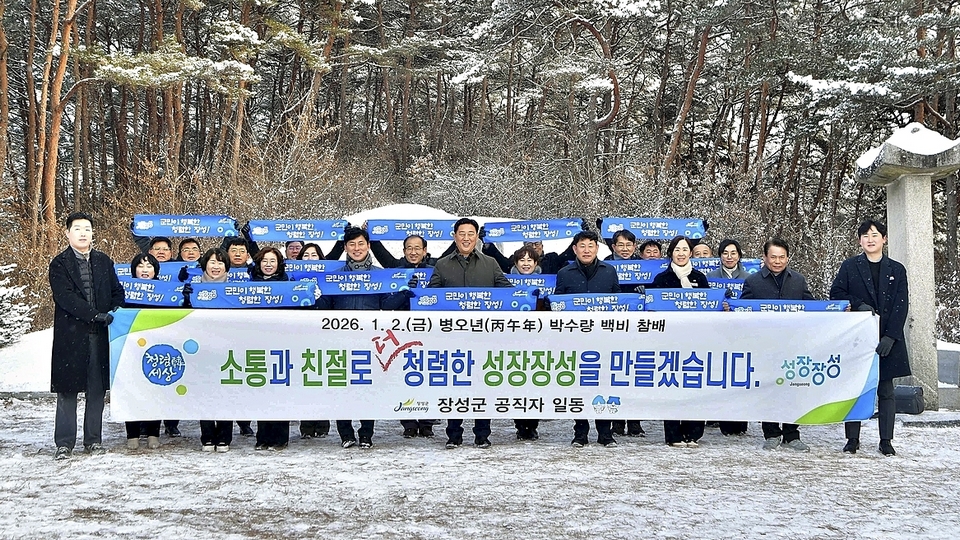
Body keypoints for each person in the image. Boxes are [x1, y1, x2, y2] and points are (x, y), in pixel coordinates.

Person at [316, 227, 412, 449]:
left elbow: (386, 305)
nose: (356, 248)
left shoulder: (380, 275)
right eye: (352, 244)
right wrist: (314, 295)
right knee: (341, 387)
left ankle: (366, 433)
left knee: (368, 387)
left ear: (368, 246)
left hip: (370, 341)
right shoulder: (334, 277)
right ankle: (346, 434)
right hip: (340, 340)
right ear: (345, 248)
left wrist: (403, 292)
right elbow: (325, 307)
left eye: (361, 244)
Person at [428, 218, 513, 448]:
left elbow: (507, 292)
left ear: (477, 237)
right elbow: (431, 297)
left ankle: (482, 434)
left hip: (483, 336)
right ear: (454, 236)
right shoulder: (442, 265)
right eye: (462, 233)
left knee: (482, 385)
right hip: (451, 336)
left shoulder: (490, 263)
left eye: (471, 234)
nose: (466, 238)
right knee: (454, 385)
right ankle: (453, 434)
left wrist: (527, 295)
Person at [830, 219, 910, 456]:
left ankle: (886, 440)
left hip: (887, 338)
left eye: (875, 235)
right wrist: (858, 304)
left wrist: (891, 337)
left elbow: (901, 305)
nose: (870, 239)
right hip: (858, 338)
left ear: (884, 239)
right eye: (865, 235)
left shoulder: (897, 269)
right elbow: (836, 292)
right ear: (859, 241)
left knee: (886, 390)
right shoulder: (850, 266)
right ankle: (852, 439)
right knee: (854, 388)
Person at [49, 212, 125, 460]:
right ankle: (64, 443)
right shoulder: (59, 264)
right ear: (67, 233)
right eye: (78, 229)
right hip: (71, 336)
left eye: (87, 229)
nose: (83, 233)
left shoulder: (104, 261)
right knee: (67, 391)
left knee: (96, 391)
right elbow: (65, 298)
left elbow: (117, 291)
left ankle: (93, 440)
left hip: (100, 336)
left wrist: (114, 311)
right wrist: (94, 315)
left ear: (93, 233)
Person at [741, 238, 815, 452]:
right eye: (773, 257)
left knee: (794, 388)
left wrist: (838, 311)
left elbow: (813, 308)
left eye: (782, 257)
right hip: (765, 345)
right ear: (764, 258)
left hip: (793, 344)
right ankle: (771, 433)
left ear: (788, 258)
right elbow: (743, 311)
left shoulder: (798, 280)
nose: (777, 261)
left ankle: (792, 434)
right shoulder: (753, 282)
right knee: (769, 390)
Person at [554, 230, 621, 448]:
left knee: (604, 385)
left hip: (605, 338)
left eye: (591, 245)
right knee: (579, 386)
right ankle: (580, 432)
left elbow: (619, 302)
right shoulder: (564, 273)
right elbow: (558, 305)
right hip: (575, 339)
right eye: (582, 246)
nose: (586, 250)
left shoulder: (609, 271)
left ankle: (605, 433)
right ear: (574, 249)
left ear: (597, 248)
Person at [649, 236, 709, 448]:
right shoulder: (661, 279)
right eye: (677, 249)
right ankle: (673, 434)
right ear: (671, 253)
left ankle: (693, 433)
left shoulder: (700, 279)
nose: (681, 253)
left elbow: (709, 307)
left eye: (685, 249)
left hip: (696, 339)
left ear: (691, 253)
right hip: (670, 340)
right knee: (672, 384)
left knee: (695, 384)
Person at [186, 248, 237, 452]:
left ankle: (224, 436)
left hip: (227, 347)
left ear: (227, 267)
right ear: (204, 265)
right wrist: (185, 300)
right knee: (203, 390)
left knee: (226, 390)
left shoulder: (236, 290)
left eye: (220, 263)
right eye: (212, 262)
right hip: (201, 347)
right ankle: (207, 436)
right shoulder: (193, 288)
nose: (216, 267)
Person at [246, 247, 295, 451]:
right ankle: (263, 437)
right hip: (257, 345)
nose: (268, 264)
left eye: (272, 261)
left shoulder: (288, 285)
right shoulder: (249, 286)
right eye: (264, 260)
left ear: (279, 264)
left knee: (280, 392)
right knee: (261, 392)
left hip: (281, 344)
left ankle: (280, 438)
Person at [124, 253, 165, 450]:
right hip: (131, 348)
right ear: (134, 271)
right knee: (132, 390)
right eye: (140, 267)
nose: (145, 270)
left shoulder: (165, 292)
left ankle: (153, 433)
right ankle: (132, 434)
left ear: (156, 271)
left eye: (149, 267)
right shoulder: (125, 291)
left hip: (157, 348)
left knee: (155, 390)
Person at [296, 242, 332, 439]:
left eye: (314, 255)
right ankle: (306, 425)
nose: (310, 259)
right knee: (305, 380)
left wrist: (320, 297)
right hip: (301, 336)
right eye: (306, 255)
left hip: (324, 336)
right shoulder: (292, 277)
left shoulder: (330, 278)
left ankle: (323, 423)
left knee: (323, 380)